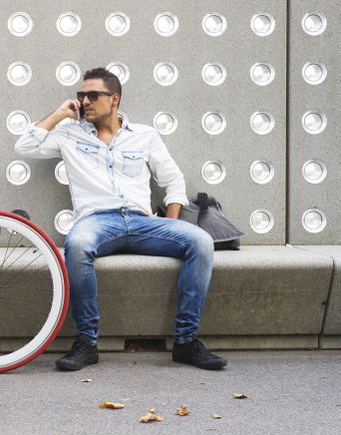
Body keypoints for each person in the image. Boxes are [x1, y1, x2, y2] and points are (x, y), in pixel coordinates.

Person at [14, 67, 227, 371]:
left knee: (201, 241)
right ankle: (87, 342)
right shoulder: (69, 135)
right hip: (97, 221)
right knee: (78, 244)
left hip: (143, 222)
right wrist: (60, 113)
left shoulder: (145, 135)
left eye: (93, 95)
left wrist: (172, 221)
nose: (85, 101)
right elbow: (24, 146)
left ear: (114, 99)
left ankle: (186, 342)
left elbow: (173, 181)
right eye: (81, 95)